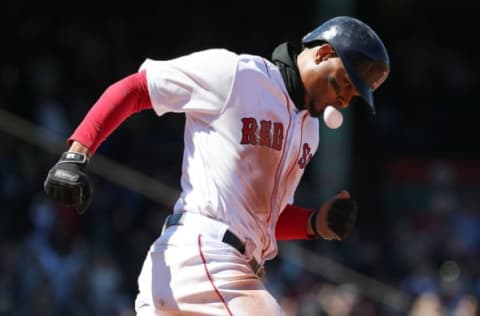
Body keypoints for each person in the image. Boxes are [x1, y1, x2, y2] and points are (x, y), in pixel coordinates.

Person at [43, 16, 390, 315]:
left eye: (353, 96)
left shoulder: (309, 131)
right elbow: (138, 89)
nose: (344, 99)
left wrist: (315, 223)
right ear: (324, 53)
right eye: (344, 84)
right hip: (203, 255)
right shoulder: (237, 74)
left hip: (210, 269)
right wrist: (77, 154)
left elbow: (262, 221)